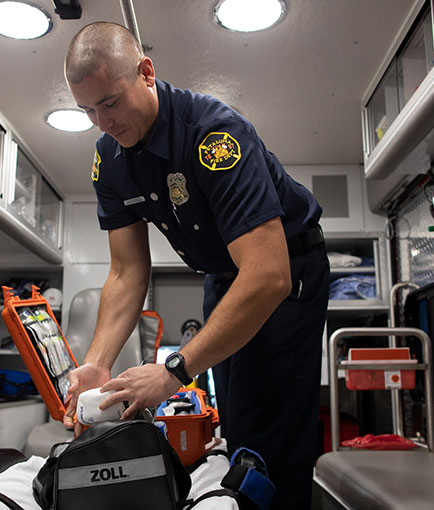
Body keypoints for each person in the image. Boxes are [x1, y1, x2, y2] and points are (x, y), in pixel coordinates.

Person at [61, 22, 330, 510]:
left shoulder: (214, 135)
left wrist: (173, 371)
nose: (102, 122)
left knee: (268, 437)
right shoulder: (109, 160)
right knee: (236, 425)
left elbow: (268, 275)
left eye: (111, 102)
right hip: (224, 277)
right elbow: (125, 274)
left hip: (287, 271)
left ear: (146, 72)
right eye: (88, 111)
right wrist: (97, 365)